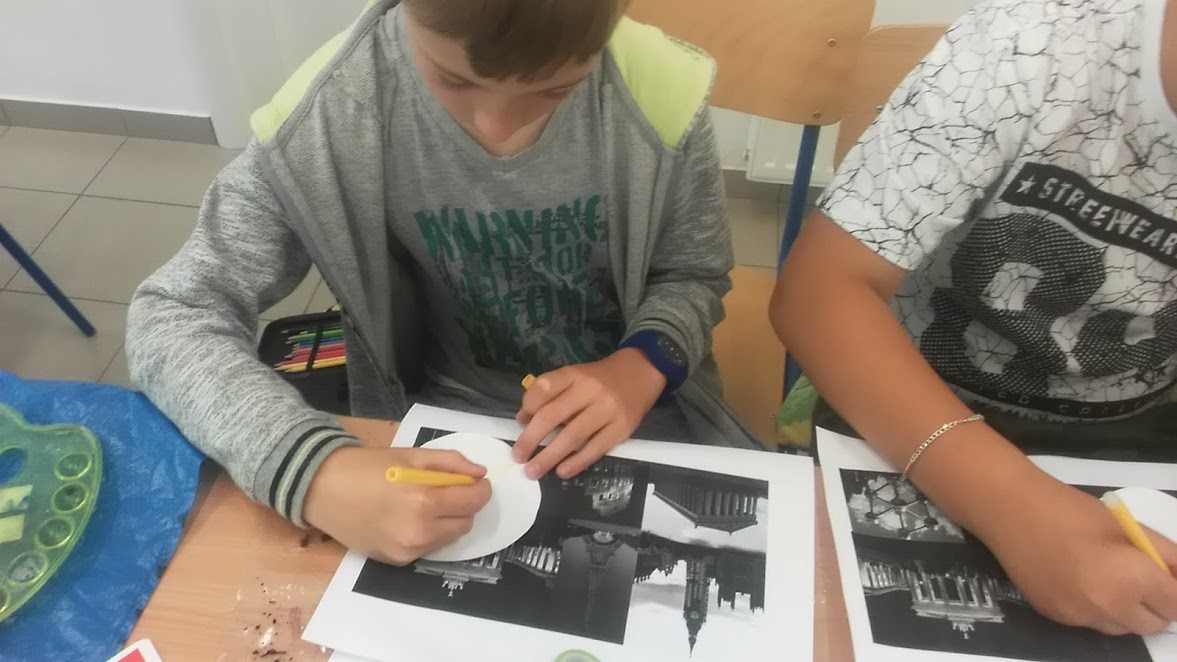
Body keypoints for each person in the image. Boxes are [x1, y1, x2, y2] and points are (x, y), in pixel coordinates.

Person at [126, 0, 760, 566]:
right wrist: (316, 471)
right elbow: (172, 315)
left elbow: (693, 273)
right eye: (455, 80)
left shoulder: (660, 98)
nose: (495, 125)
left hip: (642, 415)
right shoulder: (329, 117)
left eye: (555, 89)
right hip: (443, 428)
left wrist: (641, 364)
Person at [772, 0, 1177, 636]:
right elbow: (818, 294)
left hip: (1140, 439)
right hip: (916, 410)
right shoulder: (1028, 43)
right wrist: (1019, 513)